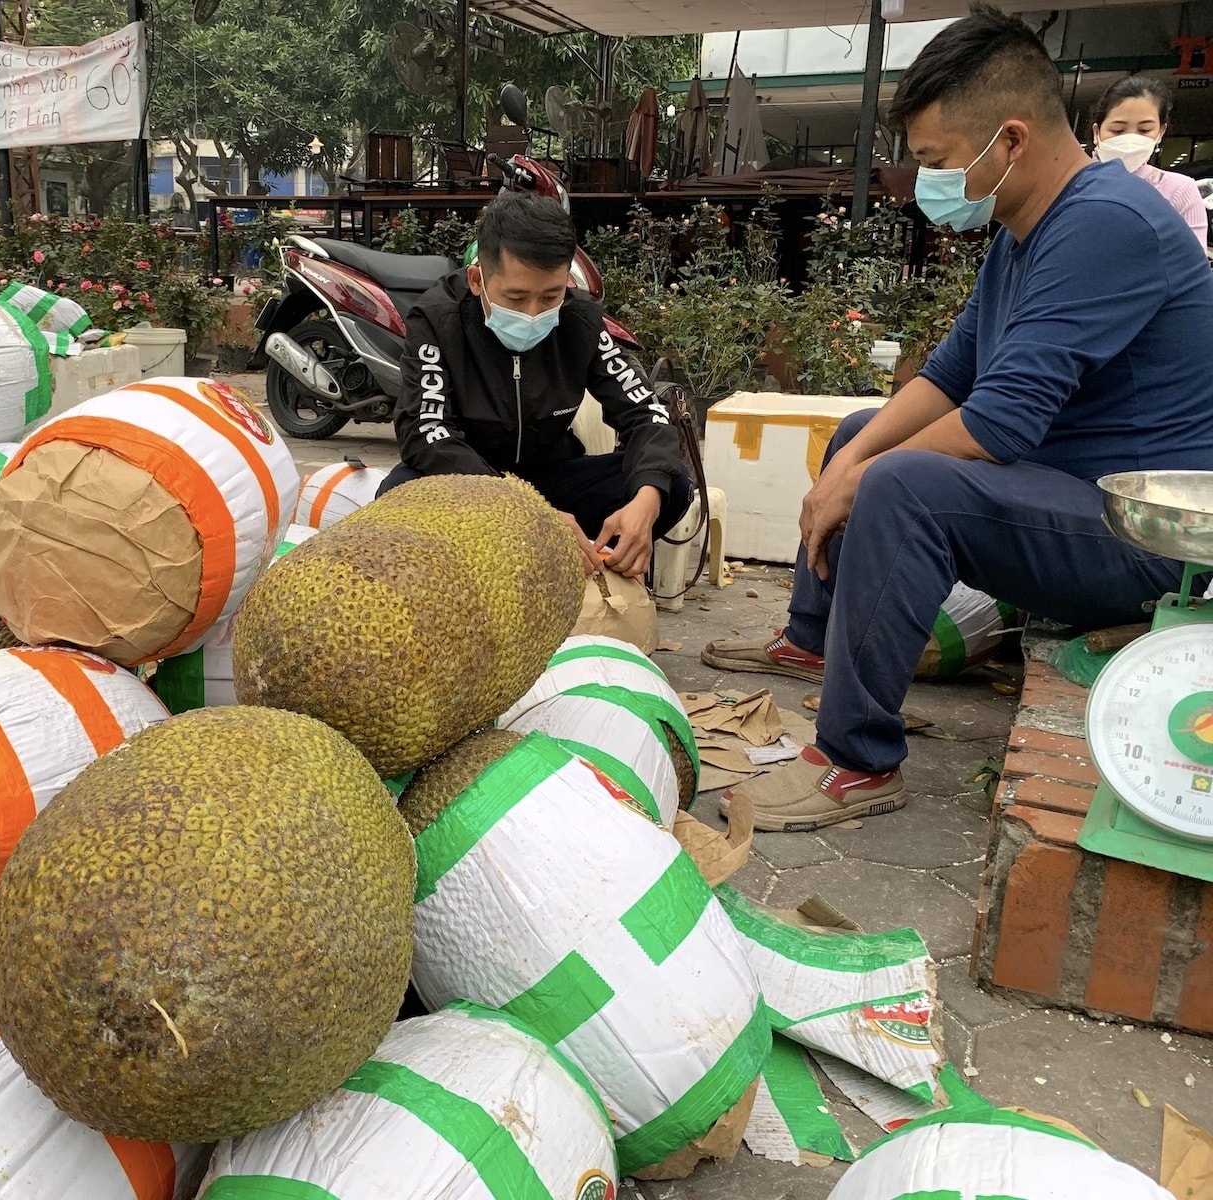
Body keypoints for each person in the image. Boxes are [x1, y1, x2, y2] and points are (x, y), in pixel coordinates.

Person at [702, 4, 1213, 831]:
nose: (927, 183)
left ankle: (854, 762)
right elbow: (949, 377)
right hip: (1063, 494)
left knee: (904, 485)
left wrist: (863, 481)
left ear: (1009, 140)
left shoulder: (1105, 225)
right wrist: (844, 466)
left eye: (937, 160)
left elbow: (1000, 423)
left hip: (1139, 540)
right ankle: (812, 639)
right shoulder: (1026, 229)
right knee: (862, 436)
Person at [379, 190, 692, 579]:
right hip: (475, 489)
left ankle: (572, 572)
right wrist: (523, 510)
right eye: (515, 297)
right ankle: (494, 577)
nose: (533, 314)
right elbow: (424, 429)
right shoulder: (438, 319)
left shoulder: (580, 321)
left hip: (553, 479)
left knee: (669, 485)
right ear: (478, 280)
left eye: (550, 296)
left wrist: (646, 501)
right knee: (398, 494)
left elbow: (646, 414)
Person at [1092, 75, 1207, 248]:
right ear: (1096, 132)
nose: (1130, 139)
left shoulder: (1179, 190)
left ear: (1160, 132)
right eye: (1118, 130)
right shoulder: (1068, 182)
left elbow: (1191, 267)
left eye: (1144, 130)